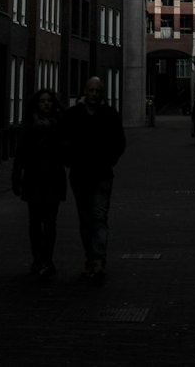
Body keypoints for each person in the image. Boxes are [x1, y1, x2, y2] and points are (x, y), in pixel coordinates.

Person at [61, 76, 126, 283]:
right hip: (80, 176)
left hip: (102, 175)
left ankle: (98, 259)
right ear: (85, 92)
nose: (95, 95)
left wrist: (109, 161)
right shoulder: (72, 115)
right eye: (91, 91)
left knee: (99, 216)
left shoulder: (110, 115)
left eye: (98, 91)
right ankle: (90, 257)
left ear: (102, 93)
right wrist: (71, 161)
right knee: (85, 219)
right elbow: (63, 141)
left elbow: (119, 142)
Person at [12, 88, 67, 280]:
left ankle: (46, 259)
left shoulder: (58, 125)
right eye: (43, 101)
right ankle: (38, 259)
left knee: (50, 222)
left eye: (49, 101)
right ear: (37, 104)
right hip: (34, 178)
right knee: (35, 222)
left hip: (52, 178)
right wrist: (16, 175)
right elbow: (21, 152)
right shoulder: (29, 126)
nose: (46, 104)